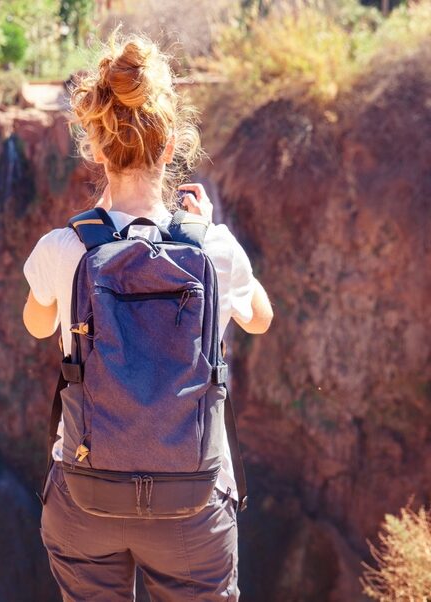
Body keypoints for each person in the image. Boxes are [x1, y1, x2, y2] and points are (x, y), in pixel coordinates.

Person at [21, 32, 273, 601]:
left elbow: (38, 325)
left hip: (85, 498)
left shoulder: (64, 248)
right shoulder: (213, 248)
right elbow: (259, 318)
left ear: (95, 145)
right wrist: (211, 229)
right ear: (170, 146)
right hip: (193, 501)